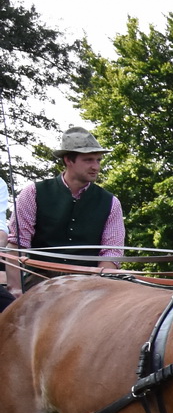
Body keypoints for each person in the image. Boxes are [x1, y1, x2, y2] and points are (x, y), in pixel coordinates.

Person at [4, 125, 124, 296]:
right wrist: (15, 289)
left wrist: (98, 288)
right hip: (39, 283)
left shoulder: (111, 203)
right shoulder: (33, 193)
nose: (96, 166)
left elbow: (111, 253)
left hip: (88, 285)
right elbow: (17, 244)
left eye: (98, 160)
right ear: (68, 160)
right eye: (88, 160)